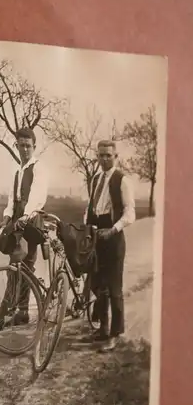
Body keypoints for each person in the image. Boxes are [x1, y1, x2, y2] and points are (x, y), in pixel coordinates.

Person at [0, 127, 48, 334]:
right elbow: (12, 201)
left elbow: (37, 198)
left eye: (27, 146)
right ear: (17, 146)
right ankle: (22, 311)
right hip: (17, 221)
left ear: (34, 147)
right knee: (24, 268)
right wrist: (6, 220)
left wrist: (24, 218)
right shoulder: (17, 172)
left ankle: (3, 314)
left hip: (30, 222)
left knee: (17, 265)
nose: (24, 150)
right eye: (20, 146)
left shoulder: (38, 168)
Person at [85, 139, 135, 352]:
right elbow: (92, 207)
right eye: (101, 155)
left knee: (114, 287)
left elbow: (130, 213)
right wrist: (87, 226)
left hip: (113, 236)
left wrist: (113, 229)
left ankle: (115, 334)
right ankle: (103, 328)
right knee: (97, 284)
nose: (104, 159)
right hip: (97, 234)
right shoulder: (96, 179)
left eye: (108, 155)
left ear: (116, 157)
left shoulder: (122, 180)